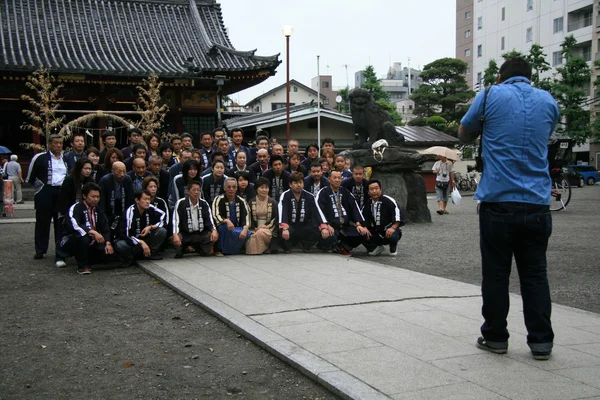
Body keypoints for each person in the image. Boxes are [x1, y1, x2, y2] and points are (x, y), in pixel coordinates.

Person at [459, 56, 559, 360]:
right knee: (535, 275)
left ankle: (496, 337)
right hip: (538, 204)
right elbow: (546, 133)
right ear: (531, 77)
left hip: (498, 202)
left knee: (496, 274)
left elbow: (464, 133)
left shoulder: (489, 94)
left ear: (501, 76)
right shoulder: (548, 101)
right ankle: (541, 342)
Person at [56, 183, 114, 274]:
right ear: (84, 196)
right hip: (72, 238)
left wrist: (108, 242)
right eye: (93, 196)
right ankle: (81, 266)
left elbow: (104, 227)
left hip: (93, 240)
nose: (96, 199)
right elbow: (75, 225)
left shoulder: (98, 209)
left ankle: (89, 261)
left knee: (107, 254)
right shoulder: (76, 207)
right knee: (84, 238)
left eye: (98, 197)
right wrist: (93, 232)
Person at [27, 134, 69, 260]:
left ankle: (60, 249)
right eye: (55, 143)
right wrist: (41, 188)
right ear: (49, 144)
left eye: (60, 143)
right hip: (45, 192)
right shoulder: (39, 158)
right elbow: (31, 177)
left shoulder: (65, 158)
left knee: (60, 222)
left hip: (61, 192)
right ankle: (40, 249)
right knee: (42, 221)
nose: (58, 145)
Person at [316, 170, 368, 255]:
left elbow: (354, 208)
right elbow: (319, 210)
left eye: (339, 178)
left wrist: (359, 224)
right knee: (328, 236)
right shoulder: (323, 192)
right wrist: (326, 225)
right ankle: (325, 246)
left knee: (363, 233)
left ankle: (342, 246)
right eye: (335, 178)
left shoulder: (346, 192)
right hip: (331, 225)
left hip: (345, 226)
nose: (337, 180)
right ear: (329, 179)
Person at [279, 172, 329, 253]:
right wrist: (284, 227)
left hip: (304, 226)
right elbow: (282, 212)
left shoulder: (310, 196)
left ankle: (305, 245)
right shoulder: (285, 195)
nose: (298, 185)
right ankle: (288, 246)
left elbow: (317, 212)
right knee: (280, 231)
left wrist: (323, 226)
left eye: (300, 182)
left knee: (319, 229)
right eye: (295, 183)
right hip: (290, 226)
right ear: (290, 184)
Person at [115, 190, 167, 265]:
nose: (148, 202)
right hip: (132, 242)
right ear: (137, 200)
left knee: (162, 231)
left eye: (149, 199)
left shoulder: (150, 208)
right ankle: (130, 258)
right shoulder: (130, 211)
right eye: (145, 199)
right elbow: (125, 234)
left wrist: (151, 227)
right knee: (120, 244)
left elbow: (164, 215)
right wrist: (140, 242)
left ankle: (150, 253)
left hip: (146, 239)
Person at [172, 181, 218, 258]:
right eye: (194, 190)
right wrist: (175, 234)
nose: (196, 192)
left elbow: (210, 220)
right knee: (174, 239)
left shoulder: (204, 203)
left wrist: (214, 230)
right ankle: (185, 249)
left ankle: (199, 249)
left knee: (212, 236)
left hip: (200, 234)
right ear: (188, 191)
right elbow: (175, 220)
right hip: (185, 234)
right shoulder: (181, 203)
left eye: (198, 190)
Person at [362, 180, 403, 257]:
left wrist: (393, 228)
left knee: (393, 235)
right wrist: (364, 227)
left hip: (389, 229)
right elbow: (362, 217)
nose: (374, 191)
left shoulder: (389, 200)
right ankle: (376, 247)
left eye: (376, 188)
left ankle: (393, 245)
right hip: (375, 231)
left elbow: (398, 215)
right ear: (368, 192)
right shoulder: (367, 204)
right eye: (372, 189)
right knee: (361, 232)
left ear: (380, 189)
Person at [211, 177, 251, 256]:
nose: (231, 189)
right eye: (229, 187)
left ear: (236, 188)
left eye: (234, 187)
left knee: (247, 233)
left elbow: (247, 215)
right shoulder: (218, 199)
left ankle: (234, 250)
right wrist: (227, 221)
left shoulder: (241, 200)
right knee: (222, 228)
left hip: (238, 226)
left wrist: (245, 228)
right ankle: (220, 250)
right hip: (224, 225)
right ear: (224, 188)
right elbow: (215, 214)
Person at [98, 161, 134, 234]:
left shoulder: (127, 179)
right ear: (113, 171)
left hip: (122, 207)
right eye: (119, 172)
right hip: (109, 208)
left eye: (124, 171)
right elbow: (102, 201)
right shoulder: (105, 180)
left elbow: (130, 199)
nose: (122, 174)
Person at [245, 177, 278, 255]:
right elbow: (248, 217)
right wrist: (254, 227)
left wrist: (266, 226)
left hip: (269, 228)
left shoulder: (273, 202)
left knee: (261, 233)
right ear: (256, 189)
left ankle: (260, 249)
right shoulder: (251, 202)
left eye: (266, 188)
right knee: (253, 235)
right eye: (262, 187)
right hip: (255, 227)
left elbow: (276, 217)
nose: (264, 190)